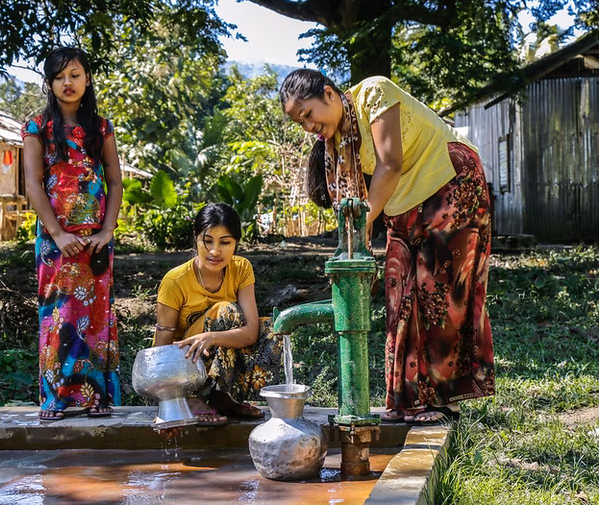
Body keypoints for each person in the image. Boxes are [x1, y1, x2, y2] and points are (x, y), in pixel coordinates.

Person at [281, 69, 495, 424]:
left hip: (449, 180)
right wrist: (354, 238)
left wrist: (363, 223)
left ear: (330, 95)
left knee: (438, 289)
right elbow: (349, 197)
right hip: (402, 203)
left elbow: (390, 162)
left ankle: (444, 402)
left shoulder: (373, 94)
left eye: (307, 114)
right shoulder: (337, 141)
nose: (307, 127)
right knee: (398, 293)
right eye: (298, 122)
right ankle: (406, 400)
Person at [22, 47, 123, 420]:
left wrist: (107, 230)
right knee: (59, 316)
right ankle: (56, 397)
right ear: (49, 83)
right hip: (55, 243)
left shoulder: (101, 127)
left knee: (96, 316)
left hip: (97, 241)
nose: (68, 82)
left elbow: (114, 180)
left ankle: (97, 396)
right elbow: (33, 185)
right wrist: (59, 234)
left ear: (87, 79)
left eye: (75, 74)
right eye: (60, 76)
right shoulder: (36, 127)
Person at [153, 203, 283, 425]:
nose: (215, 251)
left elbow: (251, 332)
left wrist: (210, 337)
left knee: (272, 329)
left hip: (221, 354)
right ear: (196, 239)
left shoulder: (241, 269)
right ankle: (193, 400)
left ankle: (225, 398)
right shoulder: (175, 281)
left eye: (225, 242)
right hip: (186, 366)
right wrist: (168, 403)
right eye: (208, 241)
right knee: (226, 312)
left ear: (236, 244)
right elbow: (162, 345)